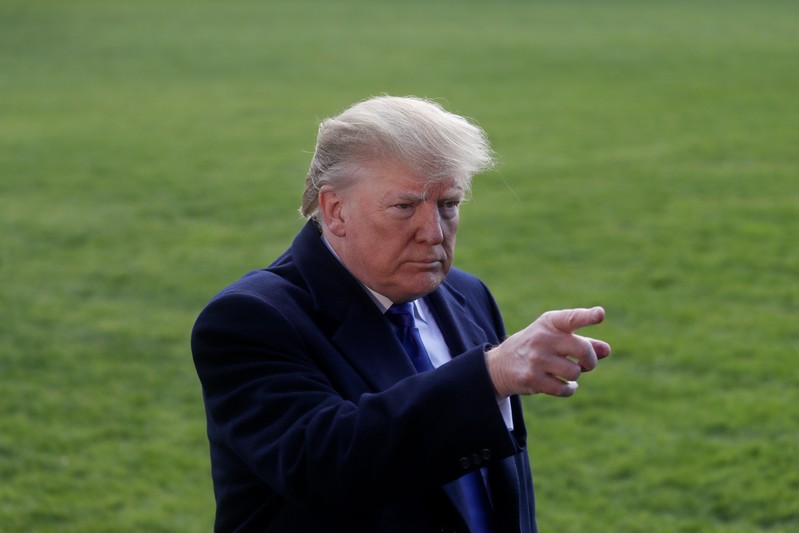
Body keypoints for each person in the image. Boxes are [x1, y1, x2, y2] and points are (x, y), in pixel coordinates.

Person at [191, 95, 611, 532]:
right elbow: (325, 468)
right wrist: (489, 377)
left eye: (448, 204)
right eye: (404, 207)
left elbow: (499, 488)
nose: (432, 234)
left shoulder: (468, 294)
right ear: (335, 210)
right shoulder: (250, 319)